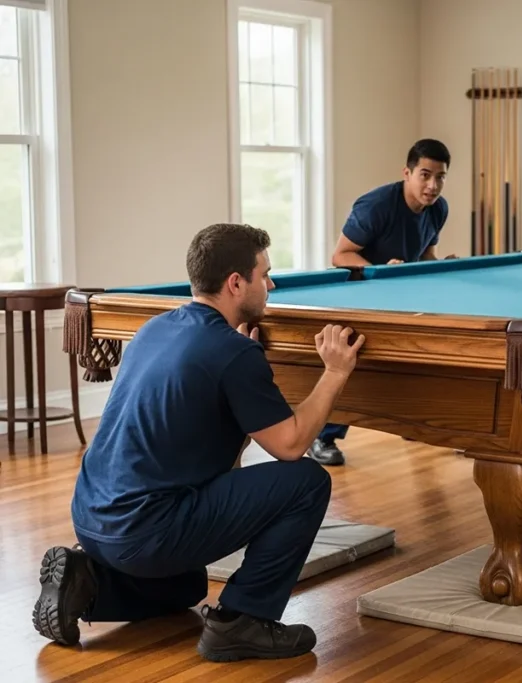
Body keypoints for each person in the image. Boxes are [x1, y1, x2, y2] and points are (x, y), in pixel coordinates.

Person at [32, 223, 365, 662]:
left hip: (92, 520)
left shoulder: (154, 329)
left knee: (188, 585)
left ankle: (88, 582)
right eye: (265, 274)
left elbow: (211, 438)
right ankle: (243, 620)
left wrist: (240, 370)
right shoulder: (232, 352)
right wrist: (335, 372)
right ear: (235, 283)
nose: (271, 285)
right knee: (307, 482)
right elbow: (290, 446)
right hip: (146, 530)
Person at [307, 138, 454, 466]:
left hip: (399, 295)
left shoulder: (438, 209)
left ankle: (409, 422)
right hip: (357, 295)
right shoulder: (376, 206)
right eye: (425, 175)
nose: (432, 185)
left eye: (440, 177)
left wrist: (443, 266)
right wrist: (380, 271)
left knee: (417, 355)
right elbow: (340, 255)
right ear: (407, 173)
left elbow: (425, 255)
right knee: (352, 365)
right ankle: (321, 436)